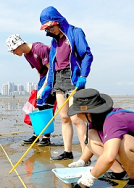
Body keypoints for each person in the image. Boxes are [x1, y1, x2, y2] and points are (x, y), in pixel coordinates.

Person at [39, 6, 93, 160]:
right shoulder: (54, 42)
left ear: (58, 21)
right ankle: (68, 152)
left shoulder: (75, 32)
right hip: (58, 79)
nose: (51, 30)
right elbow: (52, 64)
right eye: (48, 28)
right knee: (64, 117)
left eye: (51, 27)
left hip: (73, 78)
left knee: (77, 118)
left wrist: (83, 75)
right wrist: (49, 84)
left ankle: (85, 156)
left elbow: (87, 54)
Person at [67, 88, 134, 188]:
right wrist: (82, 161)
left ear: (87, 113)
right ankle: (119, 173)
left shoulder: (113, 121)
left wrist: (90, 177)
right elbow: (91, 143)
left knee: (123, 143)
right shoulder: (96, 120)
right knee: (90, 134)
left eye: (77, 112)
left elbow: (109, 157)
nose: (77, 116)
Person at [6, 34, 56, 146]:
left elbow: (51, 69)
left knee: (47, 106)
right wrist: (39, 84)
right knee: (38, 106)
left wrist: (44, 87)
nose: (14, 53)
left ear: (19, 45)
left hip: (52, 77)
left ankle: (46, 137)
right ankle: (36, 135)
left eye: (13, 50)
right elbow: (39, 70)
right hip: (43, 78)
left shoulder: (39, 49)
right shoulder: (26, 55)